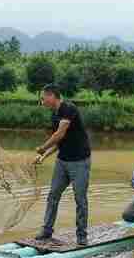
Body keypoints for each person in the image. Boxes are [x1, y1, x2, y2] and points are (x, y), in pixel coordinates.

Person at [34, 84, 91, 245]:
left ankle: (81, 236)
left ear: (52, 96)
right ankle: (46, 230)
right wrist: (43, 156)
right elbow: (59, 142)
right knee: (53, 195)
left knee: (80, 199)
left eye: (43, 98)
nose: (42, 101)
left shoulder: (68, 108)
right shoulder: (54, 116)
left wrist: (42, 147)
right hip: (62, 161)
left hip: (80, 162)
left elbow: (60, 133)